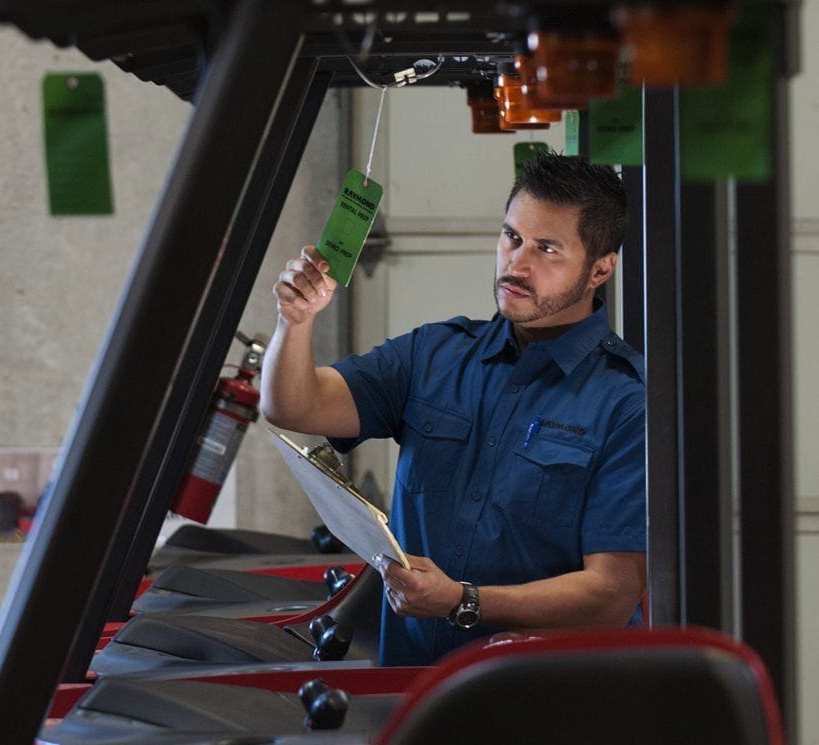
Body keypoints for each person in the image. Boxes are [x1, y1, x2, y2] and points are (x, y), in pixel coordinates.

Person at [260, 152, 646, 666]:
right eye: (511, 237)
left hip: (548, 702)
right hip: (411, 688)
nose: (517, 263)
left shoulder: (627, 402)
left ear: (601, 268)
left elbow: (609, 596)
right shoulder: (435, 355)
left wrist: (464, 601)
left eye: (546, 249)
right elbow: (294, 407)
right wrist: (296, 320)